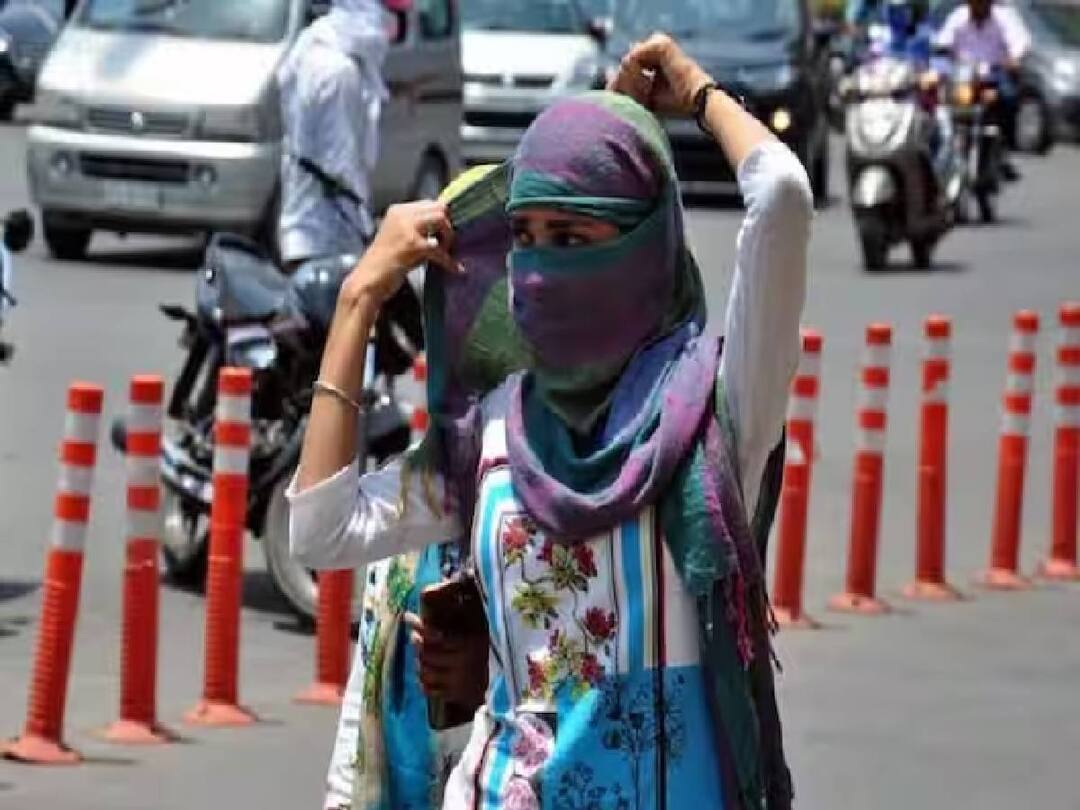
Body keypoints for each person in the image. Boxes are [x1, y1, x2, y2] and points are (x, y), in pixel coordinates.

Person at [289, 32, 812, 810]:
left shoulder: (715, 413)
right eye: (525, 239)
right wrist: (361, 295)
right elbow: (321, 531)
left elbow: (782, 198)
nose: (538, 268)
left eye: (570, 239)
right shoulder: (493, 433)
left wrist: (692, 88)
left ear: (641, 245)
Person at [277, 0, 390, 268]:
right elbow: (340, 165)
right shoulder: (338, 73)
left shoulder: (311, 46)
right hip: (326, 235)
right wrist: (367, 228)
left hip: (303, 223)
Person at [936, 0, 1031, 178]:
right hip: (963, 77)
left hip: (993, 76)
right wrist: (942, 55)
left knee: (1008, 97)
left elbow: (1020, 42)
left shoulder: (1004, 18)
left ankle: (1004, 151)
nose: (977, 7)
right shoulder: (958, 17)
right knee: (942, 105)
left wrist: (1014, 58)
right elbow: (943, 42)